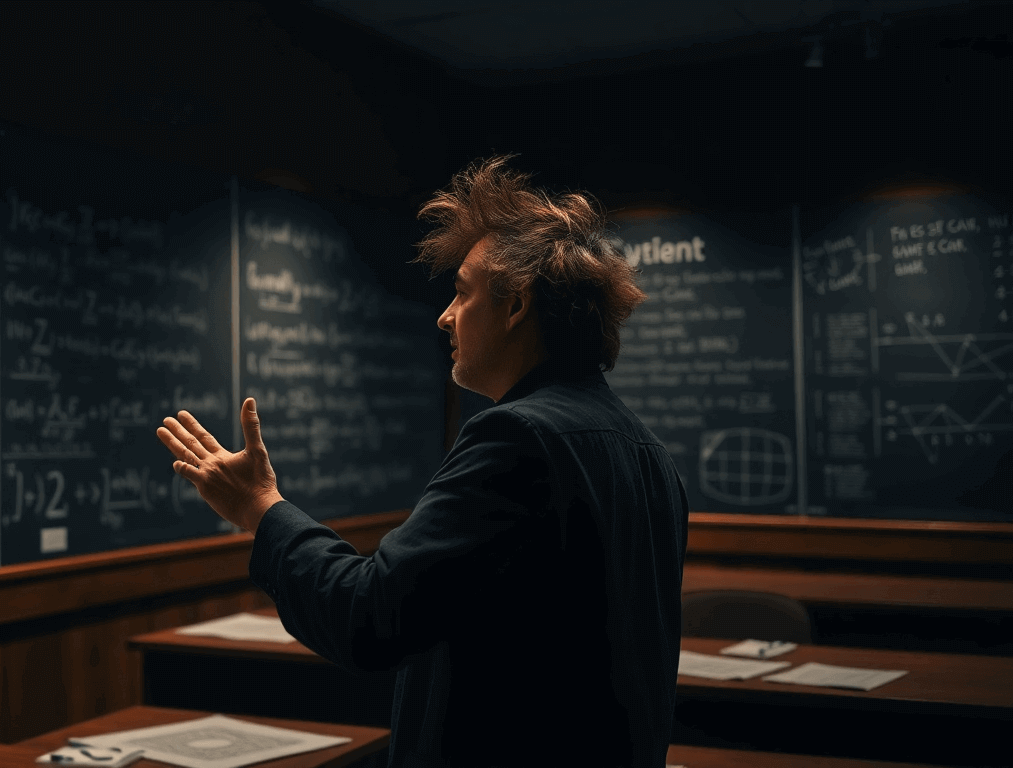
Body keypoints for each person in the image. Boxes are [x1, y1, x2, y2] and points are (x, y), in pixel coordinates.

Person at [156, 156, 688, 768]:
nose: (443, 316)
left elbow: (367, 617)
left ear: (517, 306)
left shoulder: (517, 438)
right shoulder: (650, 455)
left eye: (462, 292)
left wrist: (259, 508)